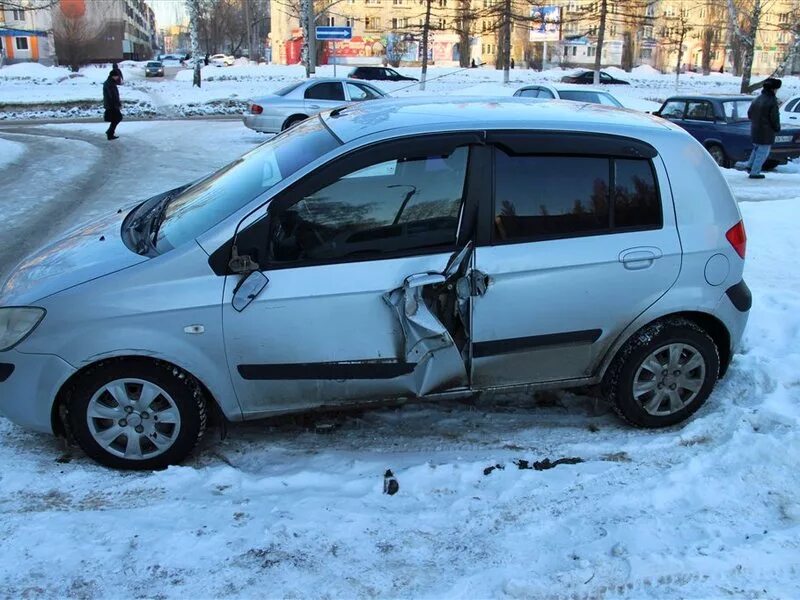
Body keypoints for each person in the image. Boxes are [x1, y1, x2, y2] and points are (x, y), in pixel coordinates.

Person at [735, 77, 782, 179]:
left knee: (756, 149)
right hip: (766, 132)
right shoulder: (772, 101)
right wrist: (777, 128)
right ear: (773, 89)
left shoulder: (757, 99)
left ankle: (749, 166)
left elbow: (750, 114)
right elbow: (774, 118)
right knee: (762, 153)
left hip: (755, 130)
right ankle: (755, 172)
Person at [103, 71, 123, 140]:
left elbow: (115, 95)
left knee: (117, 118)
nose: (118, 77)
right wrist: (116, 104)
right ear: (113, 76)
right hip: (111, 105)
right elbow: (111, 95)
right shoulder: (109, 83)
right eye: (117, 76)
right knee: (118, 118)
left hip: (113, 104)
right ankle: (109, 133)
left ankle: (110, 133)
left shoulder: (111, 82)